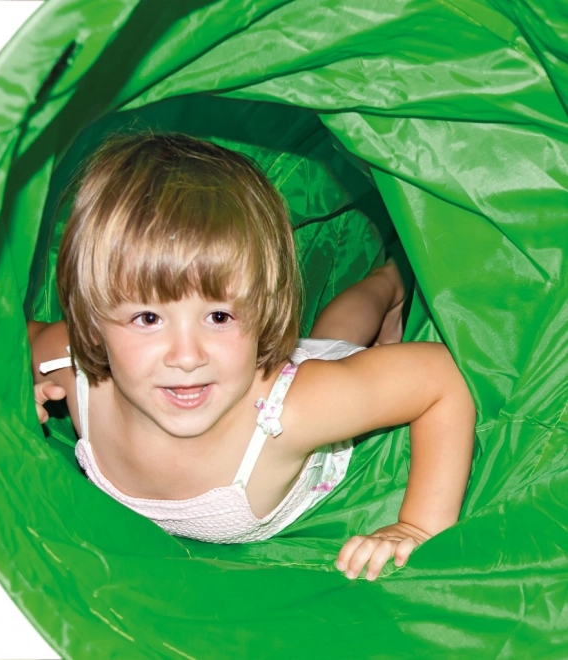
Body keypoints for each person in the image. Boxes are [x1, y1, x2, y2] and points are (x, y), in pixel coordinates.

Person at [28, 133, 475, 581]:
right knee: (327, 338)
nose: (187, 357)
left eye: (218, 316)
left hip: (293, 402)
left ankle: (392, 279)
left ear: (264, 310)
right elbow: (5, 337)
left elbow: (442, 378)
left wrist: (418, 526)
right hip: (260, 369)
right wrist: (13, 393)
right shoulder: (67, 367)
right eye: (148, 318)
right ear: (92, 325)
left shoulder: (300, 411)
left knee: (333, 347)